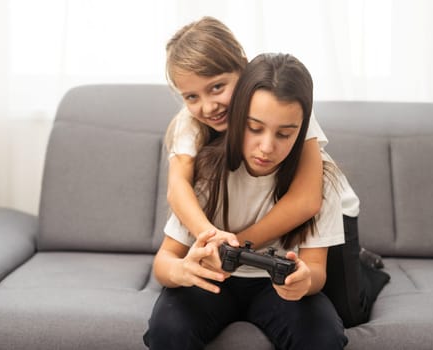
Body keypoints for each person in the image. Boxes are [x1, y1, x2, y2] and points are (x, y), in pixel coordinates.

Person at [162, 16, 389, 328]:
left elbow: (307, 201)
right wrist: (210, 237)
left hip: (329, 210)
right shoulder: (191, 125)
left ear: (243, 68)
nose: (208, 106)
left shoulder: (284, 108)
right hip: (259, 217)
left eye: (217, 87)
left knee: (346, 313)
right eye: (191, 97)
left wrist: (236, 245)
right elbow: (178, 188)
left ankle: (365, 266)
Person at [144, 53, 348, 349]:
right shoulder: (205, 171)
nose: (267, 148)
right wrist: (182, 270)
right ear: (237, 117)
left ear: (302, 132)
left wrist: (306, 280)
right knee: (168, 330)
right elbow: (164, 262)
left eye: (285, 134)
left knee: (323, 336)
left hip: (273, 287)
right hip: (212, 282)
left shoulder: (321, 180)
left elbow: (316, 270)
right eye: (254, 129)